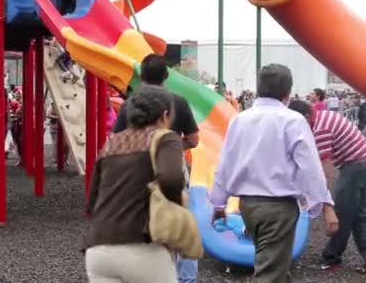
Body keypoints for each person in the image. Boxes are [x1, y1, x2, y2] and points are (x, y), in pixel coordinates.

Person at [209, 64, 338, 282]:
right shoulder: (293, 121)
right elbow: (311, 168)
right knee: (270, 272)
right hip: (279, 208)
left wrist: (218, 204)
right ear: (287, 93)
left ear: (258, 89)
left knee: (271, 262)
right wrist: (325, 206)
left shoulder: (240, 120)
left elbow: (225, 164)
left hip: (248, 206)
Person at [112, 54, 199, 282]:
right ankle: (185, 279)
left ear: (141, 76)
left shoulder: (129, 104)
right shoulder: (177, 102)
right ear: (167, 76)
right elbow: (194, 139)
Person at [85, 85, 184, 282]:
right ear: (165, 116)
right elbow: (171, 178)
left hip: (98, 248)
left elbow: (92, 200)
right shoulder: (165, 138)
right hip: (142, 246)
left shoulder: (112, 142)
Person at [288, 100, 366, 272]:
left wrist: (325, 198)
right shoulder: (322, 117)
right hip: (361, 161)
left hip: (355, 165)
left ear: (307, 116)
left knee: (342, 214)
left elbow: (326, 168)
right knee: (358, 215)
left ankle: (332, 257)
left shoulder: (320, 129)